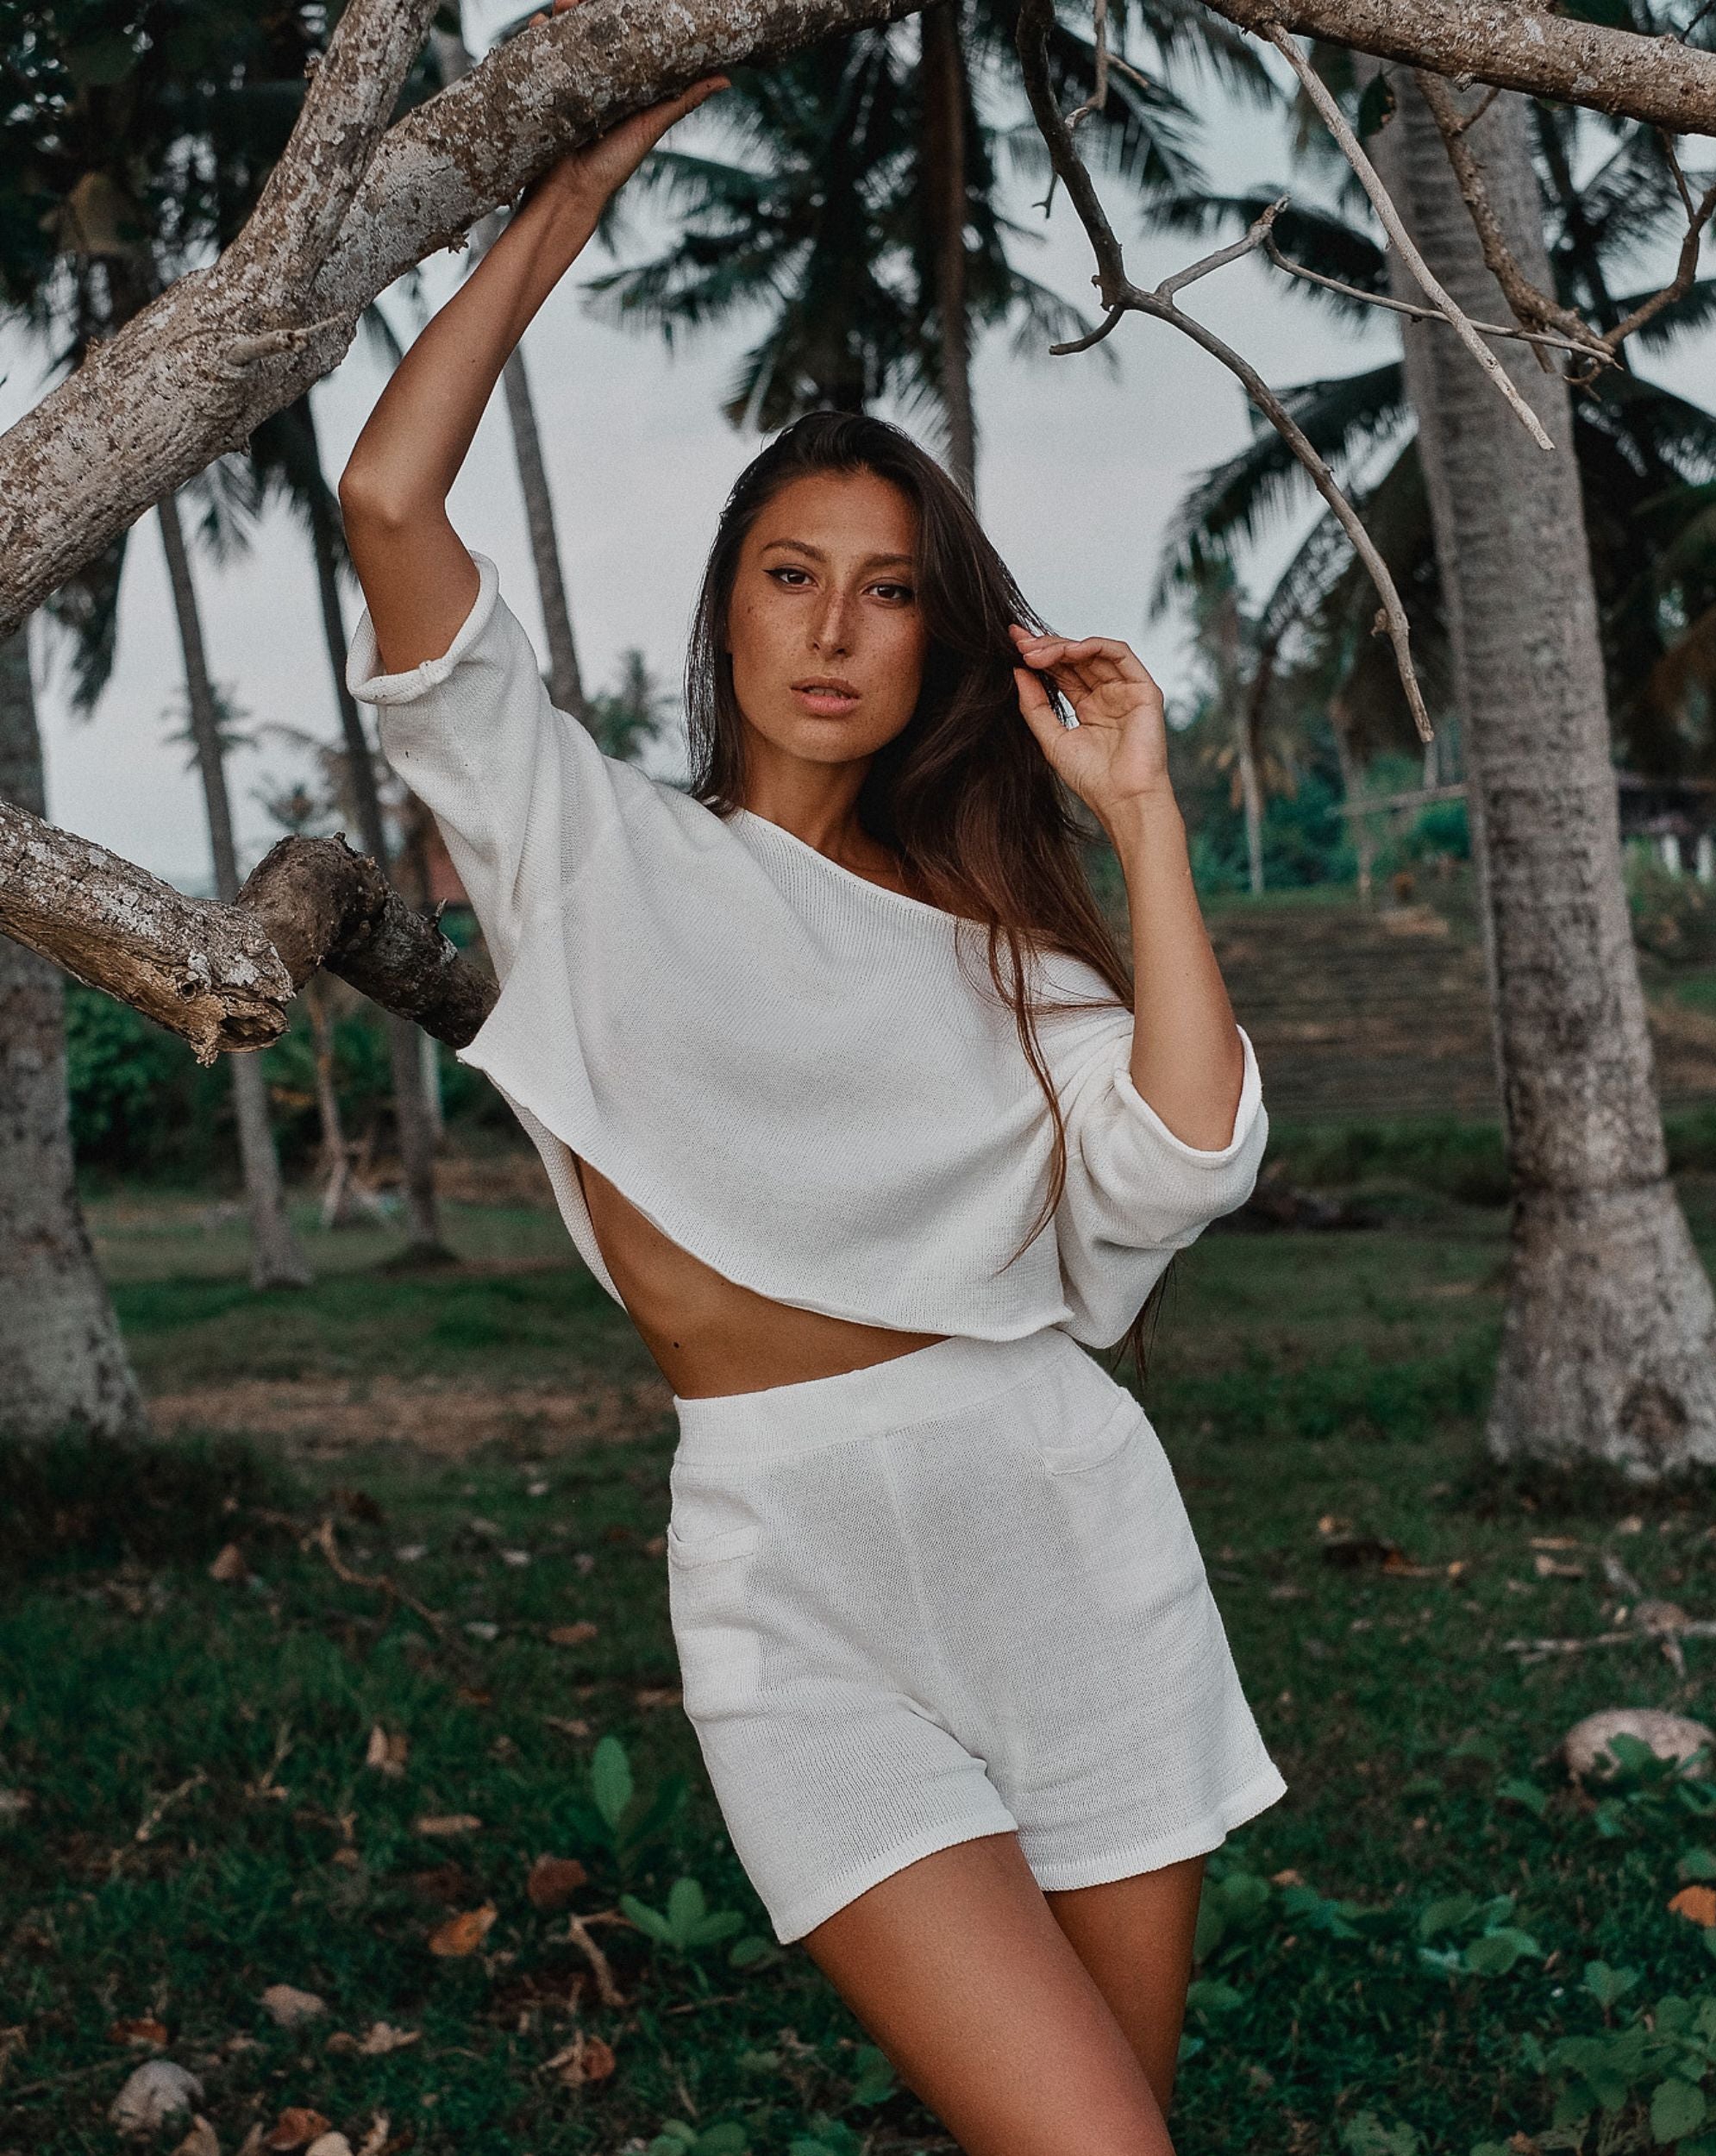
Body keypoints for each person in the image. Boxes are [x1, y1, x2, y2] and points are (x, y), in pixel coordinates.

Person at [337, 14, 1285, 2150]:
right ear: (729, 607)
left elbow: (1191, 1151)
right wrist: (565, 201)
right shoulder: (582, 844)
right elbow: (390, 495)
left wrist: (1137, 815)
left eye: (886, 594)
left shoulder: (998, 951)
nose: (834, 630)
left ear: (943, 647)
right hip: (780, 1564)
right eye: (791, 576)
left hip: (1057, 1528)